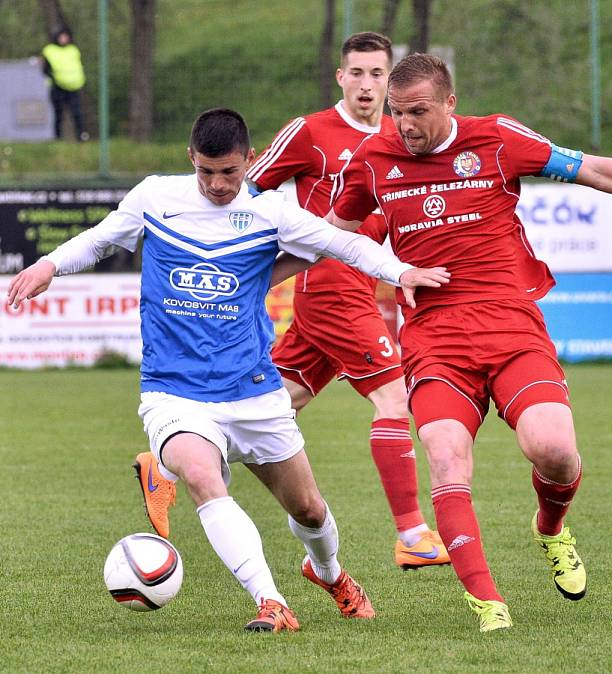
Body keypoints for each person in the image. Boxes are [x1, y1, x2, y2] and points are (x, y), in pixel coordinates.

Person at [323, 53, 612, 632]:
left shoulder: (496, 139)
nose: (405, 124)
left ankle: (550, 528)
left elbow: (594, 169)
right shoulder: (373, 159)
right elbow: (333, 236)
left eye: (418, 112)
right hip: (435, 339)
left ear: (450, 103)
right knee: (444, 455)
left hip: (511, 328)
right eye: (396, 112)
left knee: (556, 451)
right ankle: (489, 604)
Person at [6, 108, 449, 633]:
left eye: (230, 173)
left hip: (253, 390)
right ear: (191, 159)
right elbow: (100, 238)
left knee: (308, 510)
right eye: (207, 172)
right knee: (202, 476)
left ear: (251, 160)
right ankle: (270, 601)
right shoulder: (154, 198)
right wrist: (48, 264)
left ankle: (329, 574)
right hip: (174, 392)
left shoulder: (272, 211)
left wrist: (402, 272)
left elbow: (344, 243)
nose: (218, 185)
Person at [244, 32, 449, 570]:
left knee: (271, 407)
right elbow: (247, 189)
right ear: (341, 77)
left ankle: (170, 464)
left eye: (376, 74)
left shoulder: (397, 136)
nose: (365, 84)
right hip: (329, 284)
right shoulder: (310, 131)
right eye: (356, 73)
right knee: (395, 400)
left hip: (356, 284)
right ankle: (411, 534)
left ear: (390, 80)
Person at [41, 29, 88, 141]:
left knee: (77, 112)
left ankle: (81, 136)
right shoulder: (49, 50)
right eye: (61, 37)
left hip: (73, 87)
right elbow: (45, 70)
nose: (63, 39)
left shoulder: (73, 50)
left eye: (65, 36)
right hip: (57, 87)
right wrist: (55, 79)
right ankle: (58, 137)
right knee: (59, 114)